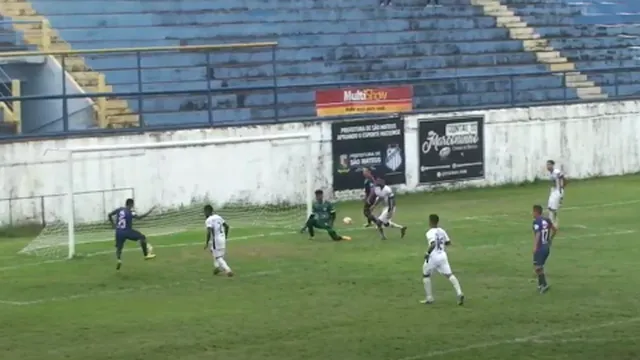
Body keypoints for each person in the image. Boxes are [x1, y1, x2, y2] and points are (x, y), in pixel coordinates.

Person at [421, 214, 464, 305]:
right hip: (442, 256)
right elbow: (448, 242)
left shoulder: (429, 232)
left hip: (433, 257)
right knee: (449, 275)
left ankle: (429, 298)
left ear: (430, 221)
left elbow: (432, 244)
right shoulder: (442, 230)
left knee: (426, 275)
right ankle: (459, 293)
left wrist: (427, 253)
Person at [108, 198, 156, 270]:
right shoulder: (130, 212)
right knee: (142, 237)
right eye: (133, 204)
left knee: (119, 248)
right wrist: (150, 211)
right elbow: (140, 217)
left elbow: (109, 215)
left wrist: (113, 224)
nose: (133, 206)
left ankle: (119, 260)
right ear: (131, 204)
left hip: (118, 232)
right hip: (127, 231)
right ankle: (146, 255)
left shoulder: (119, 209)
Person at [532, 204, 556, 294]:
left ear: (536, 212)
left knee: (538, 268)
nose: (532, 213)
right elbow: (555, 229)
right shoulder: (547, 220)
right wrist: (550, 239)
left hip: (540, 248)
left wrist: (535, 247)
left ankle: (544, 285)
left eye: (533, 211)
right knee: (539, 266)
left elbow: (538, 234)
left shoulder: (536, 222)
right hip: (546, 247)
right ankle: (540, 284)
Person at [204, 205, 233, 277]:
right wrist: (225, 236)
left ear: (207, 211)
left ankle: (228, 269)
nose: (204, 214)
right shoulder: (218, 217)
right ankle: (216, 267)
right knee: (213, 251)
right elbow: (227, 226)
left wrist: (207, 243)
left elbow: (209, 232)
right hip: (222, 238)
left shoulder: (208, 220)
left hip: (216, 240)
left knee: (218, 257)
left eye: (205, 212)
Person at [546, 160, 565, 229]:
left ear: (552, 165)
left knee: (554, 208)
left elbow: (563, 178)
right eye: (547, 165)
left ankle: (555, 223)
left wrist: (561, 189)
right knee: (550, 207)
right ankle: (551, 223)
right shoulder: (550, 173)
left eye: (549, 165)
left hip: (558, 191)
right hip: (553, 192)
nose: (547, 166)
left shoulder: (556, 172)